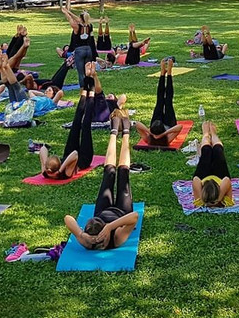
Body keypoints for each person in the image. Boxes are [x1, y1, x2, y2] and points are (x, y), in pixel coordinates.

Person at [64, 110, 140, 250]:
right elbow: (134, 217)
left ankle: (113, 132)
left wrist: (80, 234)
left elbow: (67, 218)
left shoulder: (86, 240)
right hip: (122, 212)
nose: (100, 244)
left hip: (102, 212)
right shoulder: (117, 238)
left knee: (109, 172)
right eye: (101, 243)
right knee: (123, 173)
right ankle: (126, 133)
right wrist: (110, 226)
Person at [39, 81, 99, 180]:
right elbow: (75, 154)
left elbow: (43, 149)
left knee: (75, 124)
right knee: (85, 126)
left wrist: (44, 164)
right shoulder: (65, 174)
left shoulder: (45, 172)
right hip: (83, 160)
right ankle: (91, 90)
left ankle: (85, 91)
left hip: (68, 155)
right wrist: (61, 170)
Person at [135, 60, 184, 146]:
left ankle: (162, 73)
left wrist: (150, 132)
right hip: (169, 124)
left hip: (157, 127)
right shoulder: (167, 140)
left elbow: (137, 124)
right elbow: (179, 127)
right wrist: (163, 134)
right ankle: (169, 73)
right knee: (168, 101)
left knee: (160, 100)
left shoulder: (149, 140)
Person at [191, 120, 234, 208]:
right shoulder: (225, 201)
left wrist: (204, 200)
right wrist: (218, 199)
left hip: (204, 177)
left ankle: (206, 133)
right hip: (220, 177)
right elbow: (226, 180)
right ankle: (214, 134)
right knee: (218, 150)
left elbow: (196, 179)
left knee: (206, 150)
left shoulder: (200, 201)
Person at [60, 7, 97, 86]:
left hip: (79, 50)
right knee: (88, 71)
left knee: (81, 73)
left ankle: (83, 89)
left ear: (80, 19)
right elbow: (78, 19)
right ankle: (91, 86)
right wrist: (69, 12)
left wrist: (66, 13)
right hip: (88, 49)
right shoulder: (89, 26)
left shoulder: (76, 27)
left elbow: (71, 19)